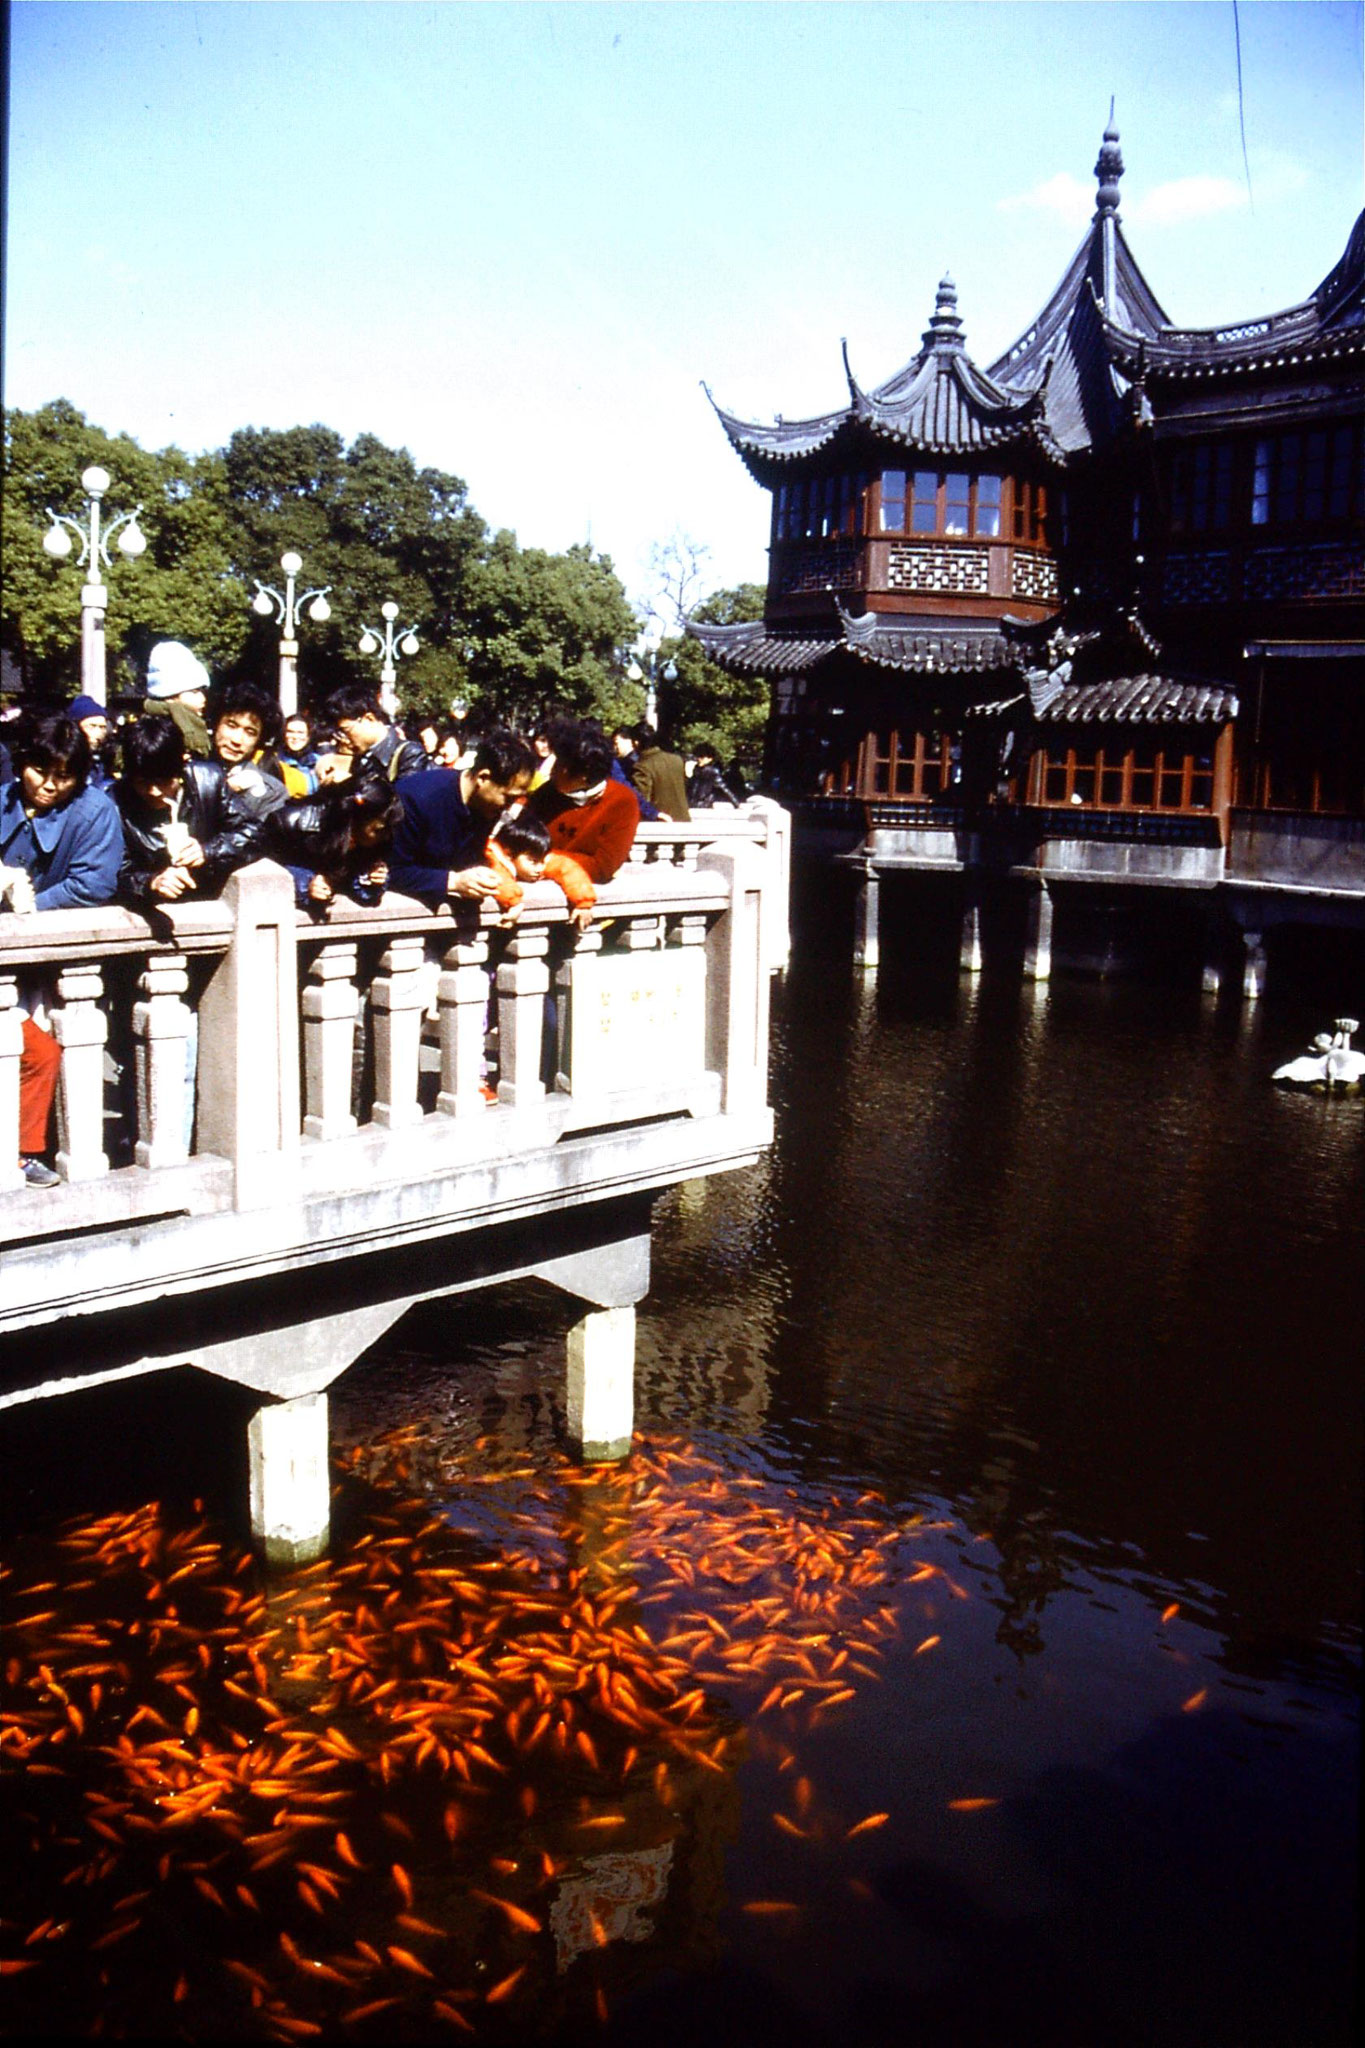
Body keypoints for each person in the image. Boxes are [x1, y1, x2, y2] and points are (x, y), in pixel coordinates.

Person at [0, 711, 122, 1188]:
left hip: (52, 957)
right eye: (39, 772)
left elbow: (92, 885)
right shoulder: (5, 797)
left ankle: (27, 1150)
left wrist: (24, 911)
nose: (49, 786)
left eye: (63, 777)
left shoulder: (94, 811)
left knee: (43, 1052)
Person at [114, 714, 268, 905]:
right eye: (142, 783)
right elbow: (114, 871)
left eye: (163, 782)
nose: (154, 792)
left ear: (183, 763)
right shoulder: (114, 803)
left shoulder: (209, 780)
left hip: (210, 904)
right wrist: (150, 882)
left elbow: (253, 833)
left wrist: (208, 851)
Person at [387, 729, 535, 909]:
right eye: (509, 798)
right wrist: (452, 881)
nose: (509, 807)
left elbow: (472, 860)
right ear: (483, 778)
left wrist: (508, 897)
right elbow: (390, 870)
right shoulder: (416, 797)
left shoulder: (487, 805)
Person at [266, 777, 402, 912]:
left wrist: (370, 880)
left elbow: (362, 892)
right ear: (357, 819)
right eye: (378, 830)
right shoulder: (289, 824)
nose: (386, 836)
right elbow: (263, 872)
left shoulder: (374, 841)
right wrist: (304, 882)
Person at [528, 718, 640, 883]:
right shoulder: (547, 793)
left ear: (584, 775)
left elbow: (602, 867)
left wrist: (543, 860)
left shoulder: (622, 801)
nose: (553, 770)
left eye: (561, 764)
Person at [485, 806, 595, 932]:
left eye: (542, 861)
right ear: (509, 854)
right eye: (533, 862)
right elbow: (499, 877)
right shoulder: (491, 856)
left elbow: (567, 868)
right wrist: (513, 902)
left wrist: (584, 903)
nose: (540, 868)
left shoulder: (533, 855)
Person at [204, 679, 290, 823]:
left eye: (250, 732)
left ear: (259, 740)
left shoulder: (271, 793)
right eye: (231, 726)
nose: (237, 740)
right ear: (216, 724)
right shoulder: (188, 770)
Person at [321, 685, 427, 784]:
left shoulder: (410, 753)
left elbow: (404, 798)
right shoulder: (364, 757)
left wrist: (349, 784)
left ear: (369, 718)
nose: (346, 738)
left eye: (347, 730)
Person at [143, 640, 212, 758]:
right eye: (194, 692)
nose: (203, 698)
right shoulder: (157, 733)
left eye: (203, 691)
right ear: (170, 696)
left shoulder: (187, 722)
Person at [630, 723, 690, 822]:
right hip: (683, 820)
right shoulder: (676, 760)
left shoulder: (642, 766)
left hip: (661, 824)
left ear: (636, 743)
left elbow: (642, 799)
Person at [69, 695, 116, 790]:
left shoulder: (102, 760)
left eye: (102, 727)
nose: (99, 734)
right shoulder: (65, 760)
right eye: (92, 726)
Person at [687, 740, 744, 809]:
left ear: (710, 758)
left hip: (703, 805)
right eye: (698, 756)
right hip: (694, 804)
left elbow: (723, 788)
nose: (699, 759)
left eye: (702, 757)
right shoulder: (697, 770)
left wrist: (737, 803)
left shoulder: (712, 772)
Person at [277, 712, 320, 796]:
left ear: (309, 735)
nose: (295, 737)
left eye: (300, 732)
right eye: (290, 731)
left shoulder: (320, 761)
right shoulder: (275, 761)